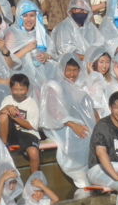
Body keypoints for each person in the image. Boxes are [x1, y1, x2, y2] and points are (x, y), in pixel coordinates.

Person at [39, 55, 98, 188]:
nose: (72, 74)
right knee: (83, 136)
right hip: (60, 125)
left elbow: (90, 110)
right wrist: (72, 124)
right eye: (68, 70)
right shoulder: (53, 85)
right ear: (62, 69)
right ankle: (79, 173)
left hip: (78, 124)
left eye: (75, 70)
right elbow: (52, 110)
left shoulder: (80, 87)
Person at [0, 73, 40, 175]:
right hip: (12, 133)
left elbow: (31, 126)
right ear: (10, 89)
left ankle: (35, 179)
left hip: (28, 133)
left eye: (22, 90)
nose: (18, 93)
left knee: (33, 153)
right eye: (15, 90)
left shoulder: (31, 103)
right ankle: (4, 145)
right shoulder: (7, 100)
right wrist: (6, 108)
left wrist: (13, 116)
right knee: (3, 116)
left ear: (27, 90)